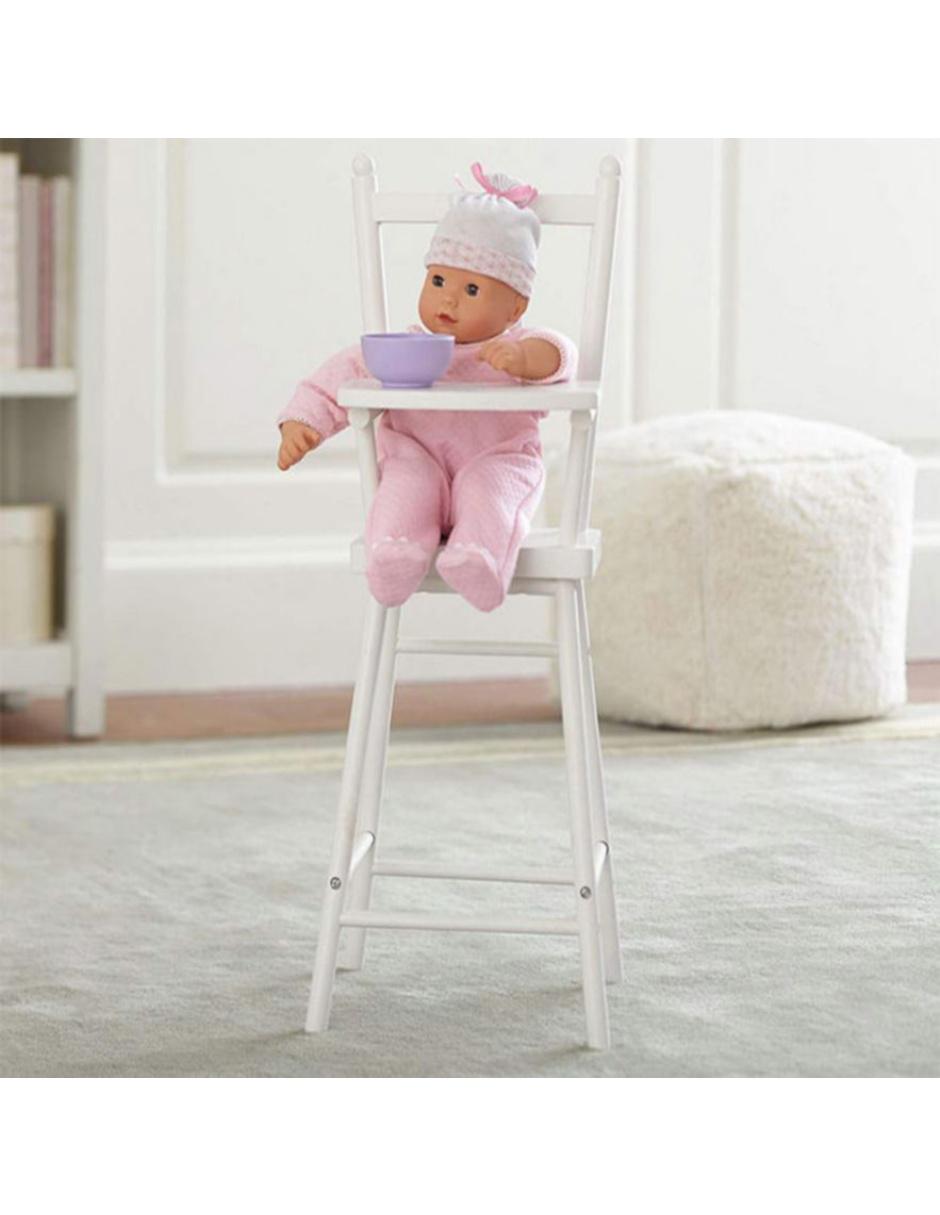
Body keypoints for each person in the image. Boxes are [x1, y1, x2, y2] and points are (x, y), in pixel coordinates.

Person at [277, 163, 577, 612]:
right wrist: (304, 421)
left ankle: (480, 557)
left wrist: (526, 359)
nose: (448, 299)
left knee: (491, 493)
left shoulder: (516, 348)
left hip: (495, 459)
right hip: (418, 459)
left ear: (515, 309)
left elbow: (563, 355)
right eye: (438, 281)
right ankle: (394, 554)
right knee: (403, 488)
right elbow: (345, 369)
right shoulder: (407, 348)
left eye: (472, 289)